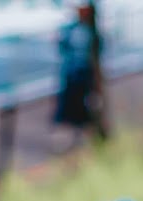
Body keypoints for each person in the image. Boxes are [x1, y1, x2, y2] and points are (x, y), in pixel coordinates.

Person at [54, 5, 98, 146]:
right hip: (72, 71)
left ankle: (84, 131)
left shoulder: (91, 31)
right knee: (69, 101)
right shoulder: (71, 29)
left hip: (84, 72)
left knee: (83, 102)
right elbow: (63, 46)